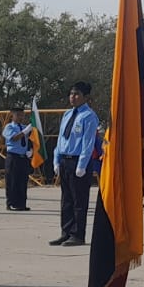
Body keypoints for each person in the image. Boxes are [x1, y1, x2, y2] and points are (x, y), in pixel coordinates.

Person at [49, 82, 99, 247]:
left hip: (78, 161)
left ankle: (77, 234)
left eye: (77, 94)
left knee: (79, 200)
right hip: (65, 159)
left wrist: (82, 164)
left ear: (85, 97)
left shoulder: (89, 116)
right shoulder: (67, 114)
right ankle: (66, 232)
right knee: (66, 200)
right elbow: (61, 139)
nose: (73, 97)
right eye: (71, 94)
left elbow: (88, 142)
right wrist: (56, 159)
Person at [2, 108, 33, 211]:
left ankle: (21, 203)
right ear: (13, 116)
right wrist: (25, 132)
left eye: (22, 115)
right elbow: (14, 138)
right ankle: (11, 203)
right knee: (12, 180)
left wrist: (30, 149)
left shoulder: (25, 127)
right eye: (18, 115)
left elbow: (31, 140)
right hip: (13, 156)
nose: (21, 117)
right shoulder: (9, 127)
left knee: (22, 181)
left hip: (23, 157)